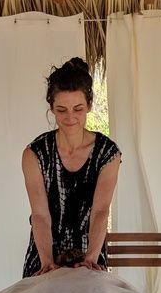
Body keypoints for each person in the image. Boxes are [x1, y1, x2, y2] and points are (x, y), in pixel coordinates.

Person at [21, 57, 121, 277]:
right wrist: (47, 264)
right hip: (43, 255)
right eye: (61, 110)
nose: (70, 117)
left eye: (78, 109)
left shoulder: (107, 154)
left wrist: (90, 260)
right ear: (51, 108)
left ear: (89, 106)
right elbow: (40, 215)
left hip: (90, 254)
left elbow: (100, 211)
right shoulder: (35, 154)